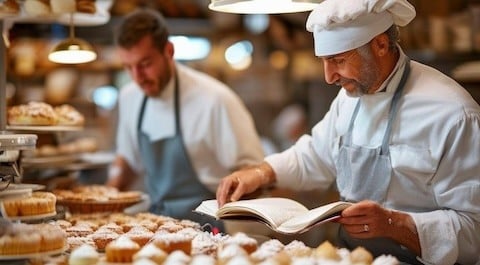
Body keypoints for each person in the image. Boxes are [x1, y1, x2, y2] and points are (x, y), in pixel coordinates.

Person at [216, 0, 480, 264]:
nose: (329, 77)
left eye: (339, 60)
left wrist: (393, 224)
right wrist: (261, 173)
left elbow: (474, 230)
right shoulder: (349, 98)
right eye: (324, 61)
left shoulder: (453, 114)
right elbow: (316, 156)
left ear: (379, 45)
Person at [107, 9, 264, 227]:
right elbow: (128, 162)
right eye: (128, 67)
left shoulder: (215, 99)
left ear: (168, 51)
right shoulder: (129, 97)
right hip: (157, 227)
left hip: (210, 229)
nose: (137, 78)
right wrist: (103, 202)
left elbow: (254, 172)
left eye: (145, 64)